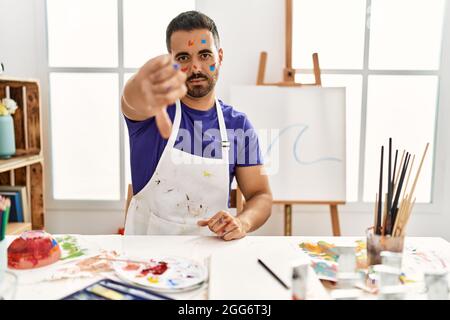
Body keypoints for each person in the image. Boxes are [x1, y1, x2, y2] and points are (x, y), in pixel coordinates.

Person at [122, 11, 272, 240]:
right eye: (183, 58)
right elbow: (131, 100)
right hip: (146, 261)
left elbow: (260, 195)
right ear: (170, 61)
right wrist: (141, 82)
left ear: (219, 57)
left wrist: (242, 222)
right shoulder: (153, 112)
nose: (195, 67)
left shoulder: (238, 126)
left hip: (209, 258)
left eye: (204, 55)